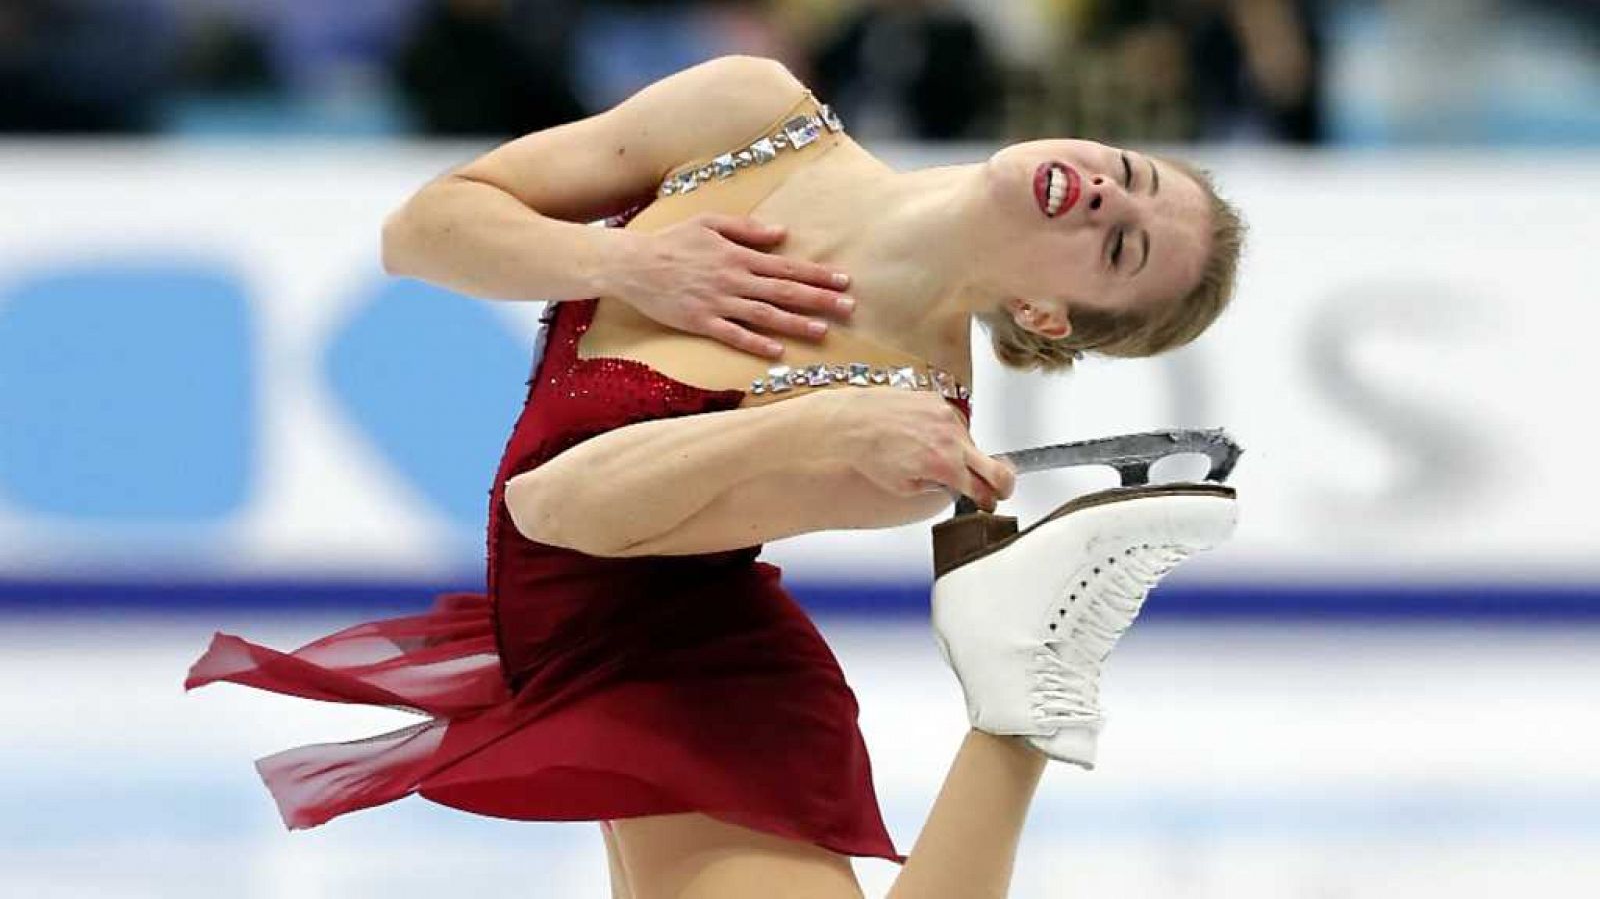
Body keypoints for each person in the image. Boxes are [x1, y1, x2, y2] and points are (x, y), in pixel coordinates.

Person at [186, 55, 1244, 897]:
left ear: (1044, 321)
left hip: (682, 673)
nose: (1107, 195)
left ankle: (1024, 707)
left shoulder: (906, 438)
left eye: (1120, 248)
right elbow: (417, 234)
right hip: (579, 651)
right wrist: (622, 262)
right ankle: (1023, 705)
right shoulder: (752, 113)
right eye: (1133, 174)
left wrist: (803, 429)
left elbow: (556, 507)